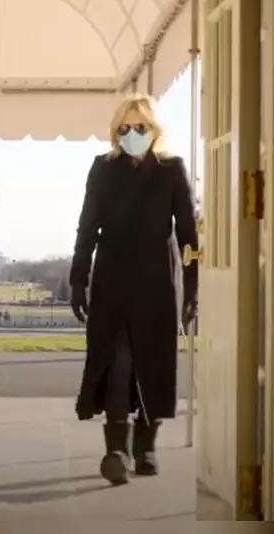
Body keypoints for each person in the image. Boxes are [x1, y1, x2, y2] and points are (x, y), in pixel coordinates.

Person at [68, 93, 198, 486]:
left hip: (158, 279)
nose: (131, 134)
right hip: (112, 278)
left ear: (154, 130)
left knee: (153, 364)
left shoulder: (172, 170)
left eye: (139, 128)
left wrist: (192, 290)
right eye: (124, 128)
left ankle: (146, 447)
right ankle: (117, 450)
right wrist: (78, 279)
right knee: (117, 364)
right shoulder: (103, 169)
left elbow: (188, 234)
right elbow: (87, 226)